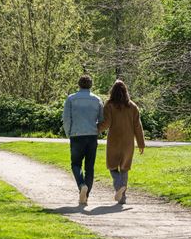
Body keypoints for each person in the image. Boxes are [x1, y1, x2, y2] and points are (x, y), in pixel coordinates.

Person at [98, 80, 145, 204]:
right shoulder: (132, 106)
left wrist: (95, 128)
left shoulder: (109, 105)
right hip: (128, 142)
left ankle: (119, 186)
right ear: (125, 92)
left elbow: (106, 124)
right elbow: (137, 126)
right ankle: (123, 197)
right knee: (124, 168)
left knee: (112, 166)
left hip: (114, 140)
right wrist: (141, 143)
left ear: (112, 91)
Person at [62, 74, 104, 206]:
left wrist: (68, 133)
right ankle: (86, 196)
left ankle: (81, 185)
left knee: (75, 164)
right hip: (92, 136)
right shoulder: (97, 100)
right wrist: (97, 131)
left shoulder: (71, 99)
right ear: (91, 85)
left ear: (79, 85)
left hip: (76, 135)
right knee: (89, 167)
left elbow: (67, 119)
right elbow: (102, 119)